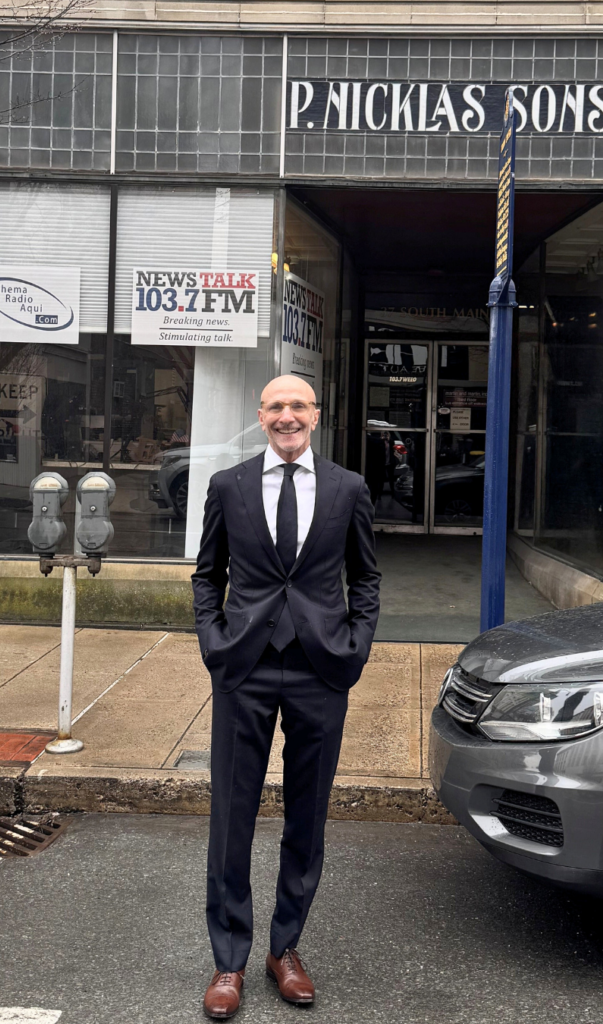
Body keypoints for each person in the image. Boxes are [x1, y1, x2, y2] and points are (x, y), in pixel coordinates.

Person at [192, 374, 381, 1020]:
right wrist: (215, 645)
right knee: (231, 820)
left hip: (320, 671)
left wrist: (354, 648)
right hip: (243, 668)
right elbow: (206, 574)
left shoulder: (347, 489)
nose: (286, 415)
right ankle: (228, 959)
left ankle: (285, 949)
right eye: (275, 405)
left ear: (315, 415)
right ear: (260, 414)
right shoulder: (229, 486)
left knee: (307, 819)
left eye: (297, 405)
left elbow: (366, 577)